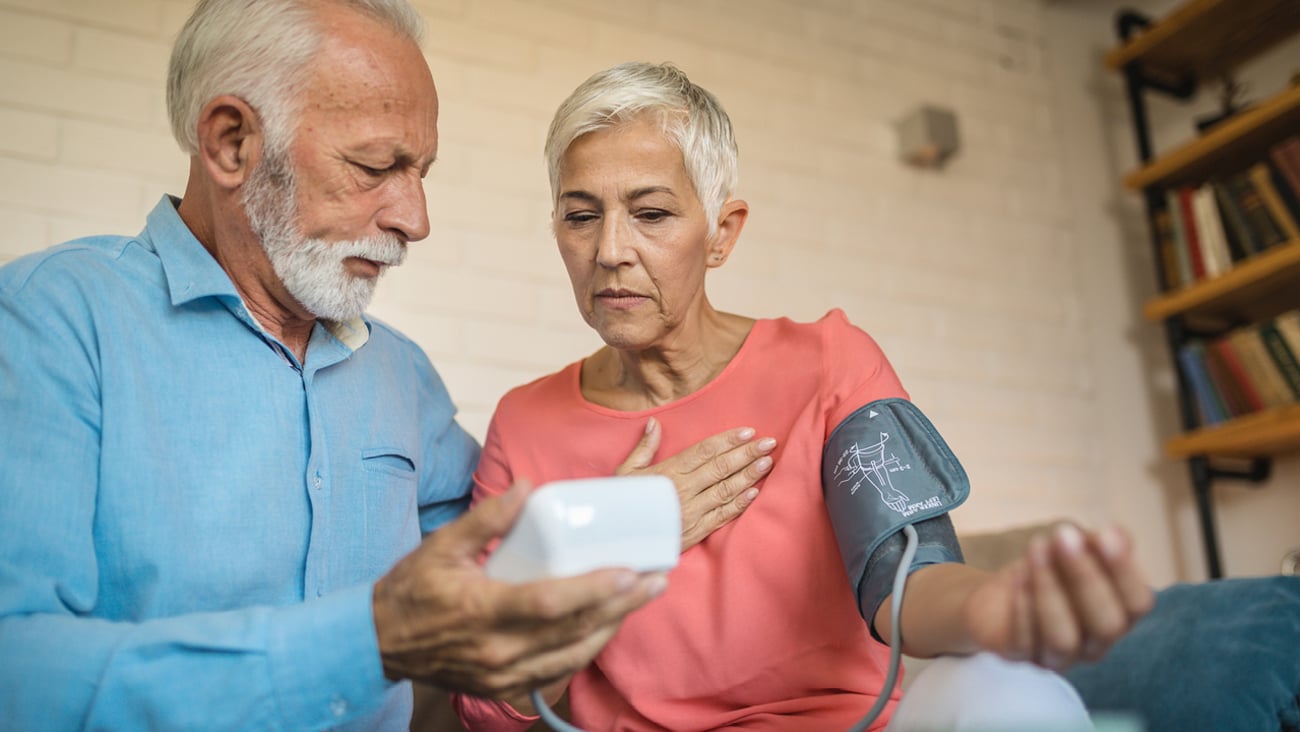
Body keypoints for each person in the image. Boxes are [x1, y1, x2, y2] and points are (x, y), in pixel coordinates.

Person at [0, 5, 776, 730]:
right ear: (232, 143)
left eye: (422, 173)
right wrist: (370, 638)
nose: (416, 219)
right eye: (376, 165)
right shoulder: (50, 322)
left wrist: (626, 520)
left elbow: (495, 574)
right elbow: (18, 674)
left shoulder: (399, 374)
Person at [452, 62, 1156, 731]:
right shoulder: (526, 422)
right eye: (581, 216)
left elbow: (904, 578)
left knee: (1011, 691)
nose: (609, 249)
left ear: (722, 234)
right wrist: (610, 539)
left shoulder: (827, 361)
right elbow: (488, 712)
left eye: (652, 214)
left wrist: (998, 608)